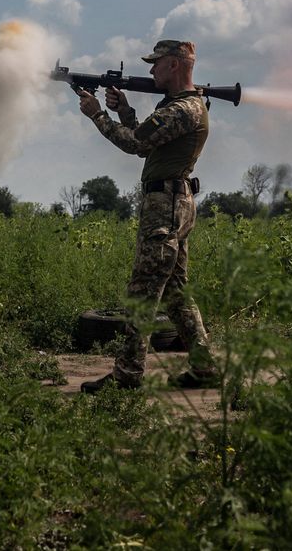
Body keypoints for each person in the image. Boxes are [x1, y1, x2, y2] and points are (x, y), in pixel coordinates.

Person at [76, 39, 220, 393]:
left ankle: (128, 375)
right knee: (175, 293)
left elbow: (133, 144)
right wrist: (124, 110)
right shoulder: (179, 106)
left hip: (166, 206)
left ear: (174, 64)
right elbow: (145, 140)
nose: (151, 70)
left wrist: (97, 114)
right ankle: (205, 369)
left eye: (156, 63)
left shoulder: (182, 109)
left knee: (143, 291)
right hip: (174, 202)